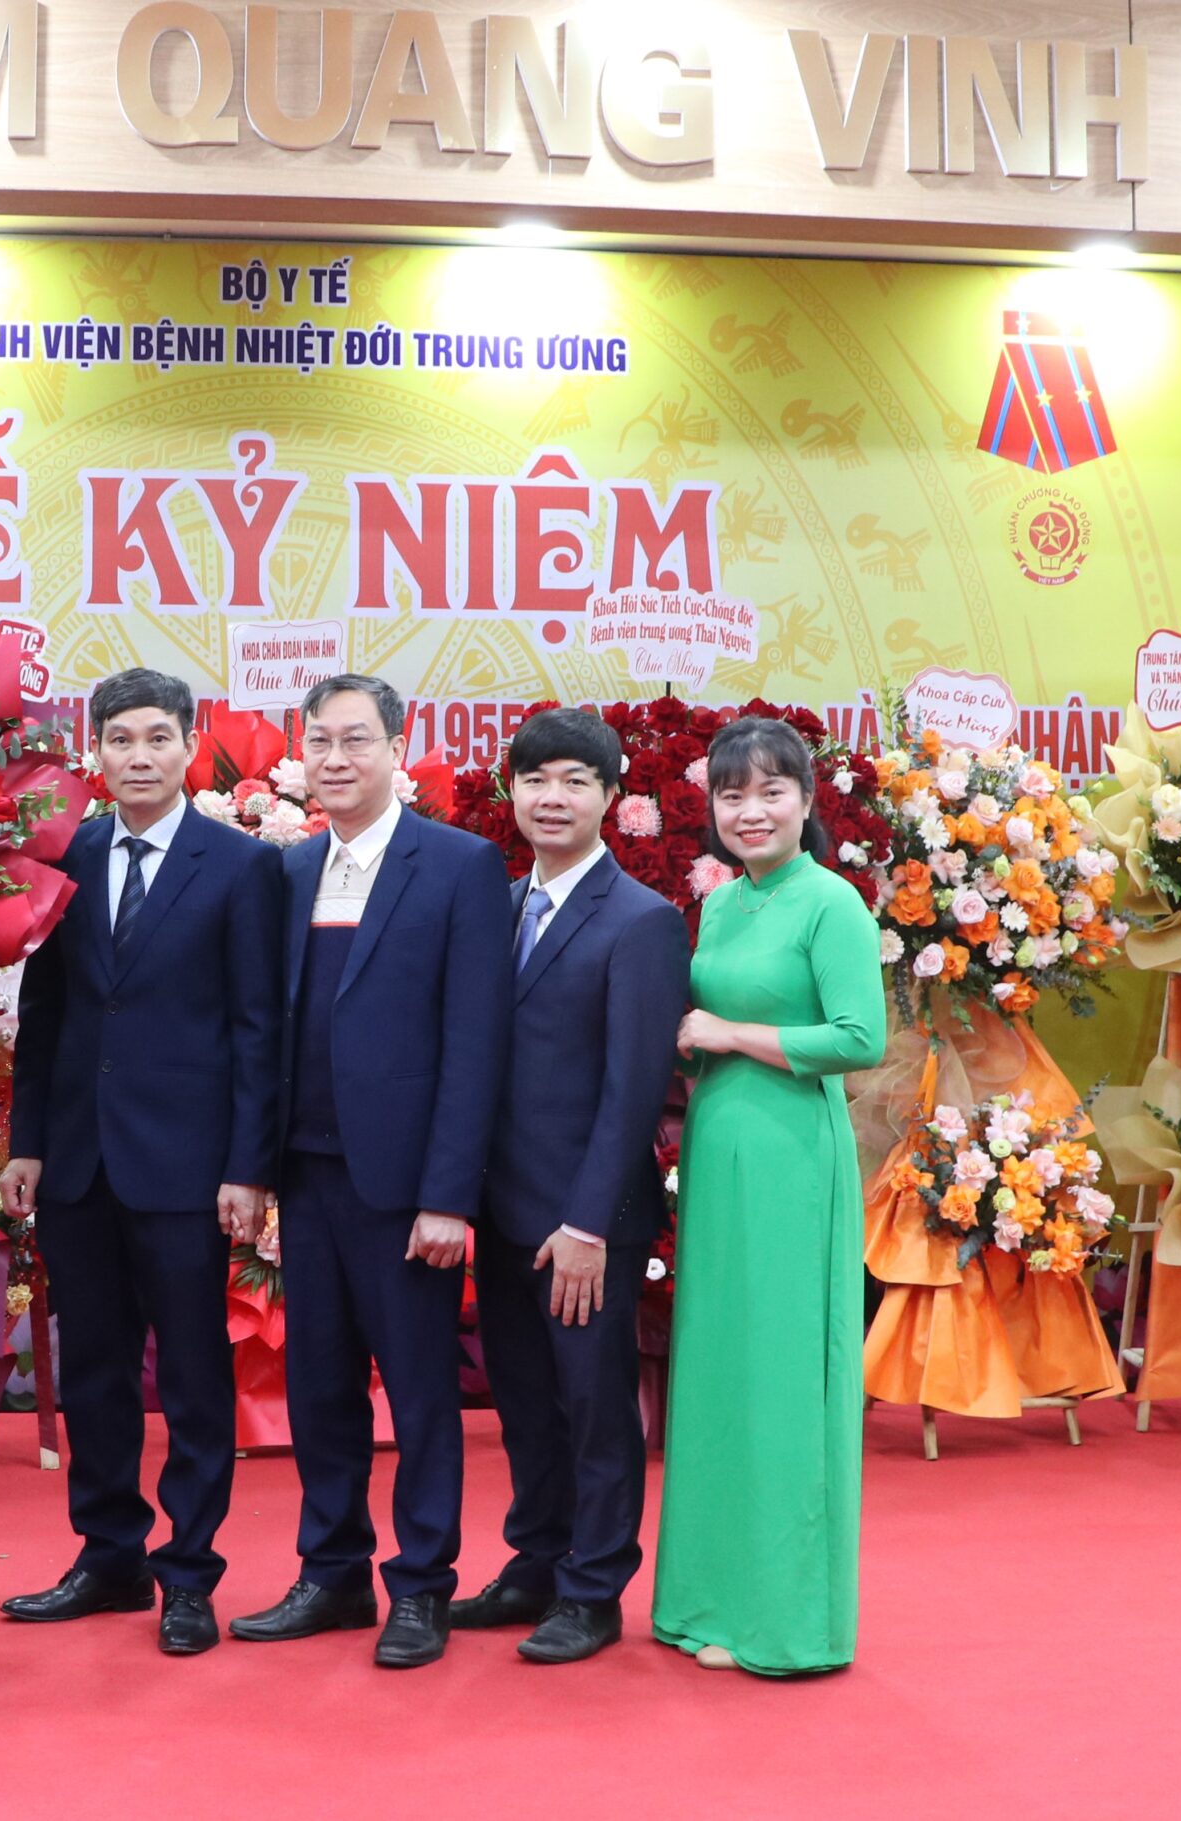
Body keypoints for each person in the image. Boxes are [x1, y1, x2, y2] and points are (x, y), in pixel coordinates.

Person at [0, 668, 284, 1657]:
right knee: (95, 1372)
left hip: (189, 1165)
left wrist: (246, 1166)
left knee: (194, 1376)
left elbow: (257, 1028)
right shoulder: (67, 856)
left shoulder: (240, 865)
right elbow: (44, 1016)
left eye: (158, 737)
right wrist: (27, 1142)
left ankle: (189, 1570)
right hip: (78, 1160)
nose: (139, 756)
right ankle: (108, 1553)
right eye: (119, 739)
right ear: (96, 751)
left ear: (189, 745)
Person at [230, 673, 510, 1669]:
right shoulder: (292, 868)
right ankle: (334, 1569)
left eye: (356, 739)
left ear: (398, 748)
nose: (336, 757)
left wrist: (448, 1194)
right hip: (307, 1174)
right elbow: (266, 1029)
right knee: (320, 1385)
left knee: (423, 1393)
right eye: (320, 740)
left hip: (406, 1186)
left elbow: (474, 1041)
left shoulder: (460, 865)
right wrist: (252, 1167)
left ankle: (423, 1582)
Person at [457, 709, 689, 1664]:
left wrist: (588, 1222)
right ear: (512, 790)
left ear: (611, 796)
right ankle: (536, 1563)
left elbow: (635, 1087)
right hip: (502, 1210)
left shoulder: (642, 920)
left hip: (586, 1221)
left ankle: (594, 1587)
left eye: (574, 781)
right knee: (523, 1401)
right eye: (535, 779)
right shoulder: (497, 903)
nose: (552, 798)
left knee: (594, 1409)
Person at [655, 715, 885, 1676]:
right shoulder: (723, 903)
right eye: (731, 794)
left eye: (770, 791)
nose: (750, 810)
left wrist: (729, 1034)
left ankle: (787, 1620)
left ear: (806, 799)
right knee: (719, 1369)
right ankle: (712, 1598)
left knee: (783, 1375)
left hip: (793, 1155)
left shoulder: (831, 902)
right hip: (721, 1149)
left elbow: (860, 1038)